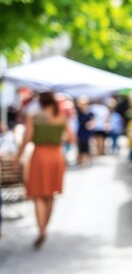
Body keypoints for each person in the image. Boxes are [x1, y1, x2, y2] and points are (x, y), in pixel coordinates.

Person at [14, 92, 75, 249]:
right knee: (50, 194)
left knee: (38, 195)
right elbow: (72, 138)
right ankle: (45, 227)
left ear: (40, 102)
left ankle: (41, 230)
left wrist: (17, 157)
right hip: (56, 156)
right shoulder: (62, 116)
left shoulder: (34, 116)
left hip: (39, 156)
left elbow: (27, 139)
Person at [76, 97, 93, 165]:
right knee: (80, 146)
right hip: (80, 132)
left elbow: (92, 121)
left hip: (86, 132)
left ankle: (86, 159)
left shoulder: (89, 112)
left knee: (87, 146)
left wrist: (90, 124)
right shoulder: (78, 112)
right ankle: (80, 159)